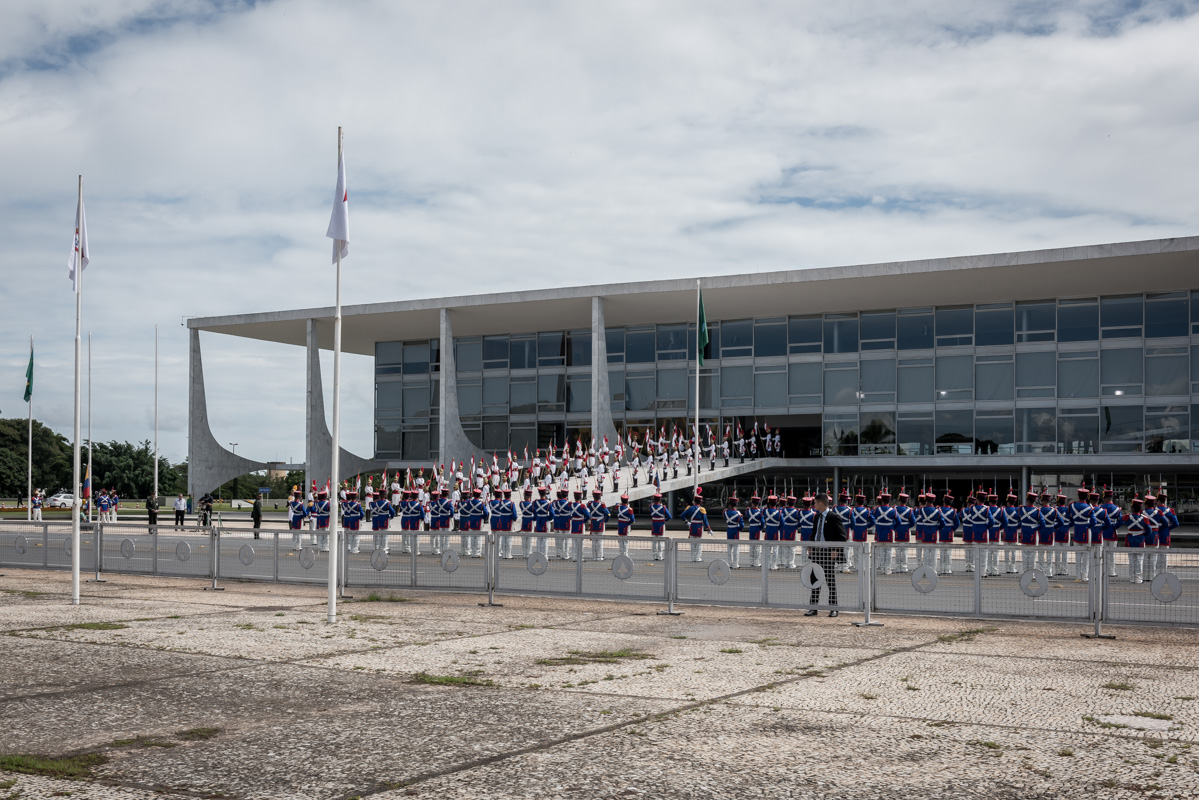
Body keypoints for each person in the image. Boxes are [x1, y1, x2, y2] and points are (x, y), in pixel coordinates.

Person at [806, 492, 847, 617]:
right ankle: (813, 607)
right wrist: (811, 544)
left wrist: (836, 549)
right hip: (817, 552)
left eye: (815, 503)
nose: (813, 505)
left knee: (830, 581)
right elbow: (814, 533)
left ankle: (833, 608)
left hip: (828, 553)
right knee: (815, 580)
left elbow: (842, 536)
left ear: (821, 503)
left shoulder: (833, 517)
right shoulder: (817, 517)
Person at [681, 489, 712, 562]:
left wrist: (687, 522)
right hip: (699, 527)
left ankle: (692, 557)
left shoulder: (689, 508)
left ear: (694, 501)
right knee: (698, 543)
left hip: (692, 526)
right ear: (701, 502)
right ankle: (697, 558)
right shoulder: (702, 509)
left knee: (692, 543)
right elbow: (705, 521)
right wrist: (709, 529)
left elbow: (682, 516)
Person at [649, 492, 672, 561]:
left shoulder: (651, 506)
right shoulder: (663, 508)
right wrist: (664, 520)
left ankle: (654, 555)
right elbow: (669, 516)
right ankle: (660, 555)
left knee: (654, 541)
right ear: (660, 499)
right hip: (661, 525)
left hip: (654, 525)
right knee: (660, 541)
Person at [724, 495, 745, 569]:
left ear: (729, 504)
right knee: (736, 548)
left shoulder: (725, 512)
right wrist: (739, 529)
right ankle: (735, 564)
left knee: (729, 548)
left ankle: (730, 563)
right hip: (735, 531)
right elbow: (742, 524)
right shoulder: (738, 514)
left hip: (729, 530)